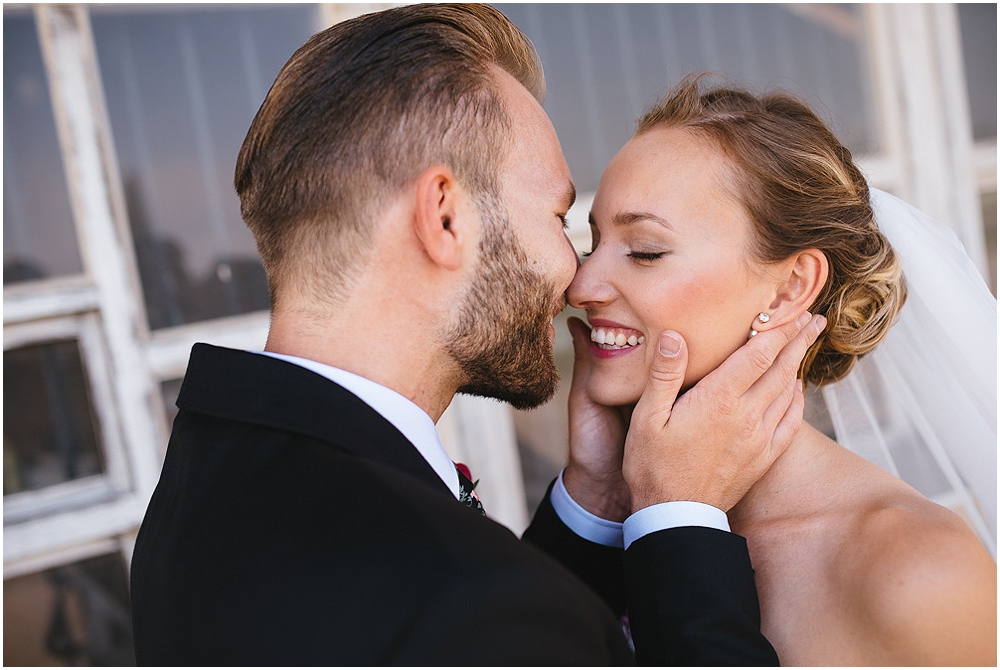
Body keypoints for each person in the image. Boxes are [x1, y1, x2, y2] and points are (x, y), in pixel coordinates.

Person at [128, 6, 825, 666]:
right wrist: (681, 521)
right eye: (559, 218)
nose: (578, 280)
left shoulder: (207, 473)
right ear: (446, 218)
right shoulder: (472, 599)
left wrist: (593, 498)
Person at [566, 74, 997, 666]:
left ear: (793, 285)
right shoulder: (602, 524)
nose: (582, 285)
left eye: (644, 251)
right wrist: (592, 489)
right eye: (592, 245)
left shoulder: (915, 571)